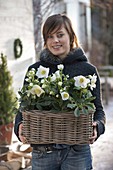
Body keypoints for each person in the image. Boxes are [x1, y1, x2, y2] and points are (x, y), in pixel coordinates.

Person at [14, 14, 106, 170]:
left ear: (71, 37)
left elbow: (99, 110)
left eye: (60, 35)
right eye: (50, 36)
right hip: (43, 152)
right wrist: (19, 126)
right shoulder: (36, 70)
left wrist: (98, 126)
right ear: (45, 41)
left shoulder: (87, 70)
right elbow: (24, 108)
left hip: (77, 152)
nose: (55, 40)